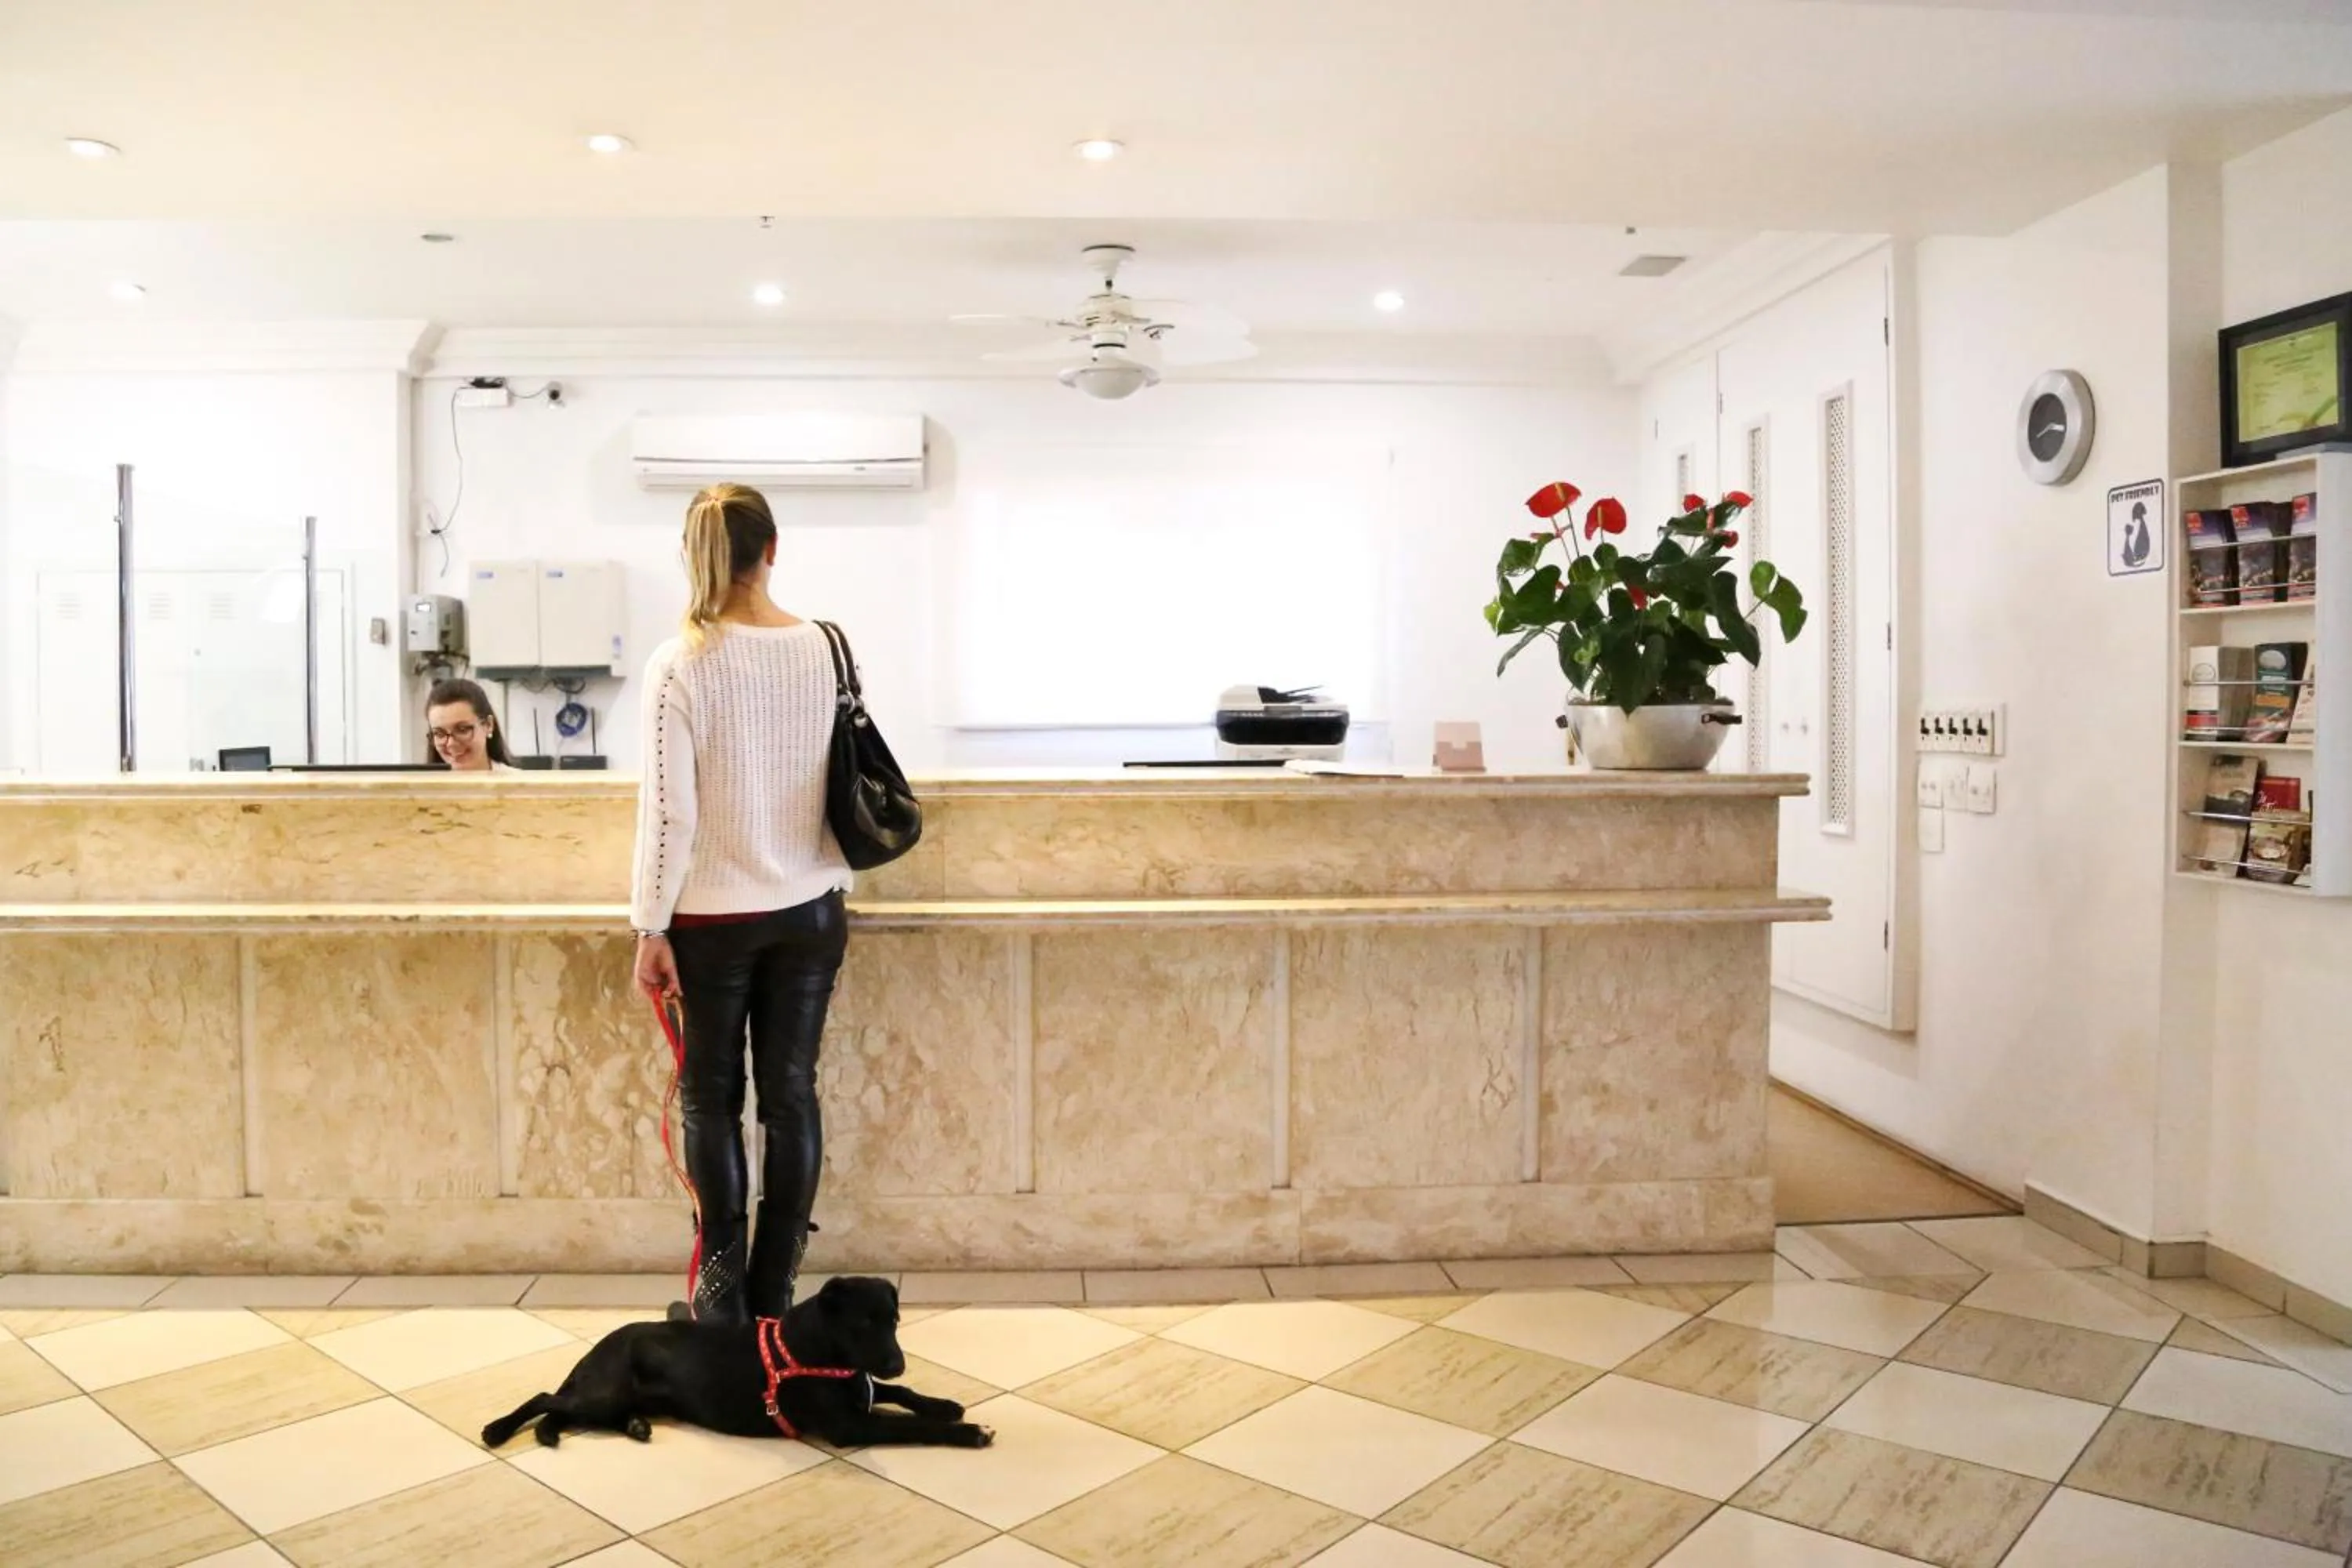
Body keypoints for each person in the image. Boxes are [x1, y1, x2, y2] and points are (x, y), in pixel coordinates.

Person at [630, 482, 851, 1327]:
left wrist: (650, 924)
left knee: (711, 1099)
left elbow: (669, 810)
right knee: (792, 1095)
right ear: (774, 547)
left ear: (696, 558)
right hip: (811, 909)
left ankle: (718, 1296)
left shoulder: (680, 660)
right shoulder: (824, 647)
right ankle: (776, 1288)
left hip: (711, 921)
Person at [426, 678, 519, 771]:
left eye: (462, 730)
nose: (451, 744)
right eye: (439, 733)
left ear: (488, 725)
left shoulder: (522, 783)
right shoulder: (420, 785)